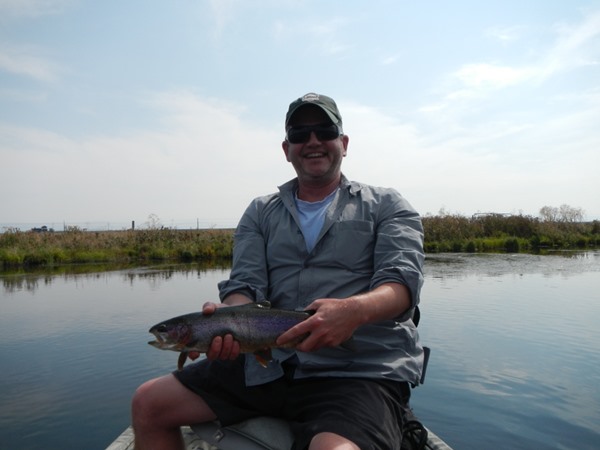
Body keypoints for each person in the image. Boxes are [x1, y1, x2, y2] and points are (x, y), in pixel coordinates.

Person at [131, 92, 425, 450]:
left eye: (324, 130)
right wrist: (230, 319)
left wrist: (353, 311)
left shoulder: (388, 205)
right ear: (287, 149)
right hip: (266, 367)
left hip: (356, 371)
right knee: (148, 404)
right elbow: (244, 286)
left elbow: (401, 284)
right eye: (300, 134)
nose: (313, 141)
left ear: (343, 143)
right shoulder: (259, 212)